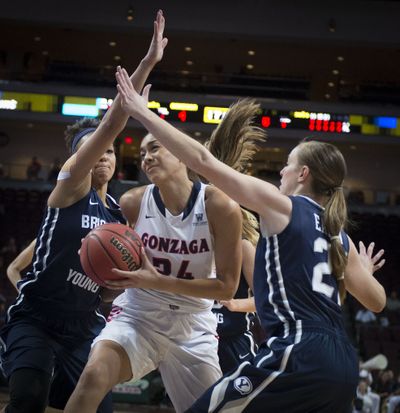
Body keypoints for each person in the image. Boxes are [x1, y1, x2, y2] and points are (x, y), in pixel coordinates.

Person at [113, 68, 387, 412]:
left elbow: (202, 161)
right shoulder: (337, 234)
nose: (282, 172)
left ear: (303, 174)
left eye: (287, 165)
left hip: (298, 350)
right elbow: (376, 302)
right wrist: (363, 268)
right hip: (343, 365)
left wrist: (141, 111)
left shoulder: (282, 206)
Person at [0, 11, 167, 413]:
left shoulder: (120, 214)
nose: (102, 157)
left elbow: (109, 287)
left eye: (109, 152)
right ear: (77, 159)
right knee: (27, 397)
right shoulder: (70, 186)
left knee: (96, 408)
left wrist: (117, 283)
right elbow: (109, 128)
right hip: (38, 315)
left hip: (84, 325)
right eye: (93, 151)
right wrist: (145, 66)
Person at [63, 106, 252, 413]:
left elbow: (226, 289)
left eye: (154, 148)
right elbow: (121, 263)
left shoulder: (221, 206)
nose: (146, 157)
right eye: (141, 154)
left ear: (181, 154)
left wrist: (155, 280)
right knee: (94, 375)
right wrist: (106, 276)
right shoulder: (133, 202)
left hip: (192, 327)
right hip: (139, 316)